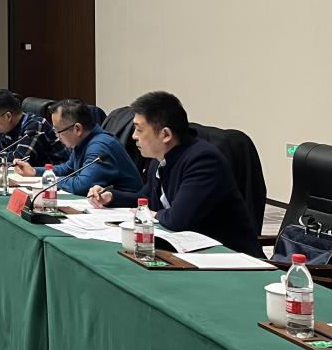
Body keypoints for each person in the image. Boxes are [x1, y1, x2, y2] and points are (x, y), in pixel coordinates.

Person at [87, 91, 262, 256]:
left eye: (139, 129)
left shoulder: (203, 160)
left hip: (229, 257)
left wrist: (153, 214)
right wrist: (111, 197)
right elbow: (145, 199)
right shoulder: (160, 158)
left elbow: (178, 219)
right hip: (190, 252)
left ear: (166, 135)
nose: (133, 136)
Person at [11, 98, 141, 194]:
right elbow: (68, 168)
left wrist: (49, 180)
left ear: (77, 129)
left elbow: (83, 185)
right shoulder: (84, 140)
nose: (56, 136)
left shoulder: (99, 146)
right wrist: (35, 172)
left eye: (58, 131)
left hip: (126, 209)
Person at [0, 90, 64, 163]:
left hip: (54, 178)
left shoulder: (35, 126)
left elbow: (19, 158)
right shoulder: (11, 128)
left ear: (8, 116)